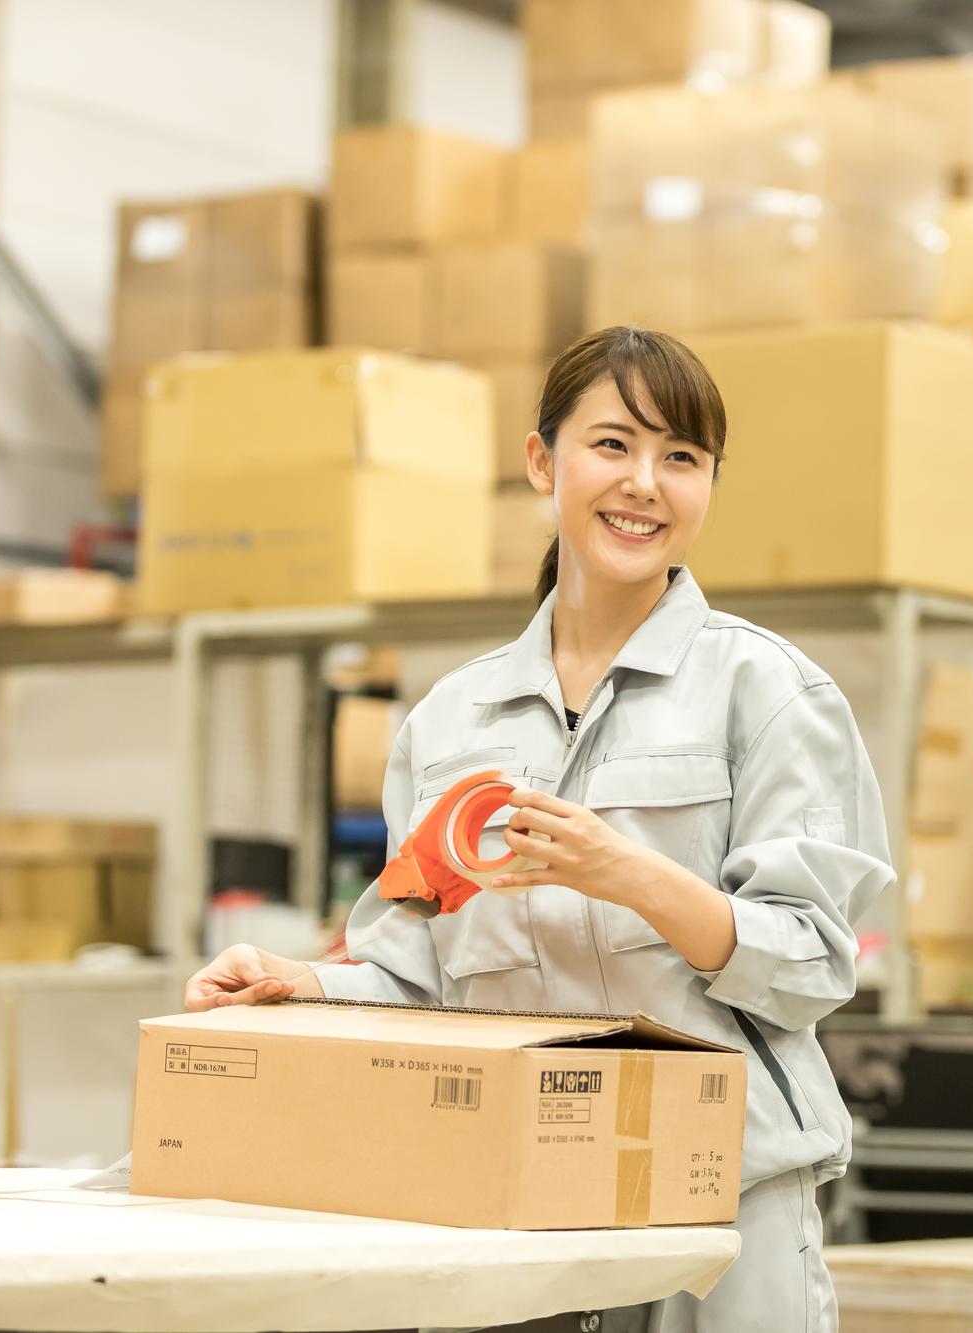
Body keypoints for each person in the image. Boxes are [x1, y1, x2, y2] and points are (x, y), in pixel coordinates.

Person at [183, 325, 894, 1333]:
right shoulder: (446, 723)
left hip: (717, 1222)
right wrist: (299, 981)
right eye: (611, 444)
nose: (643, 481)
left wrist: (630, 875)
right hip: (510, 1215)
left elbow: (814, 963)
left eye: (679, 458)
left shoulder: (767, 694)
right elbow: (416, 974)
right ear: (540, 461)